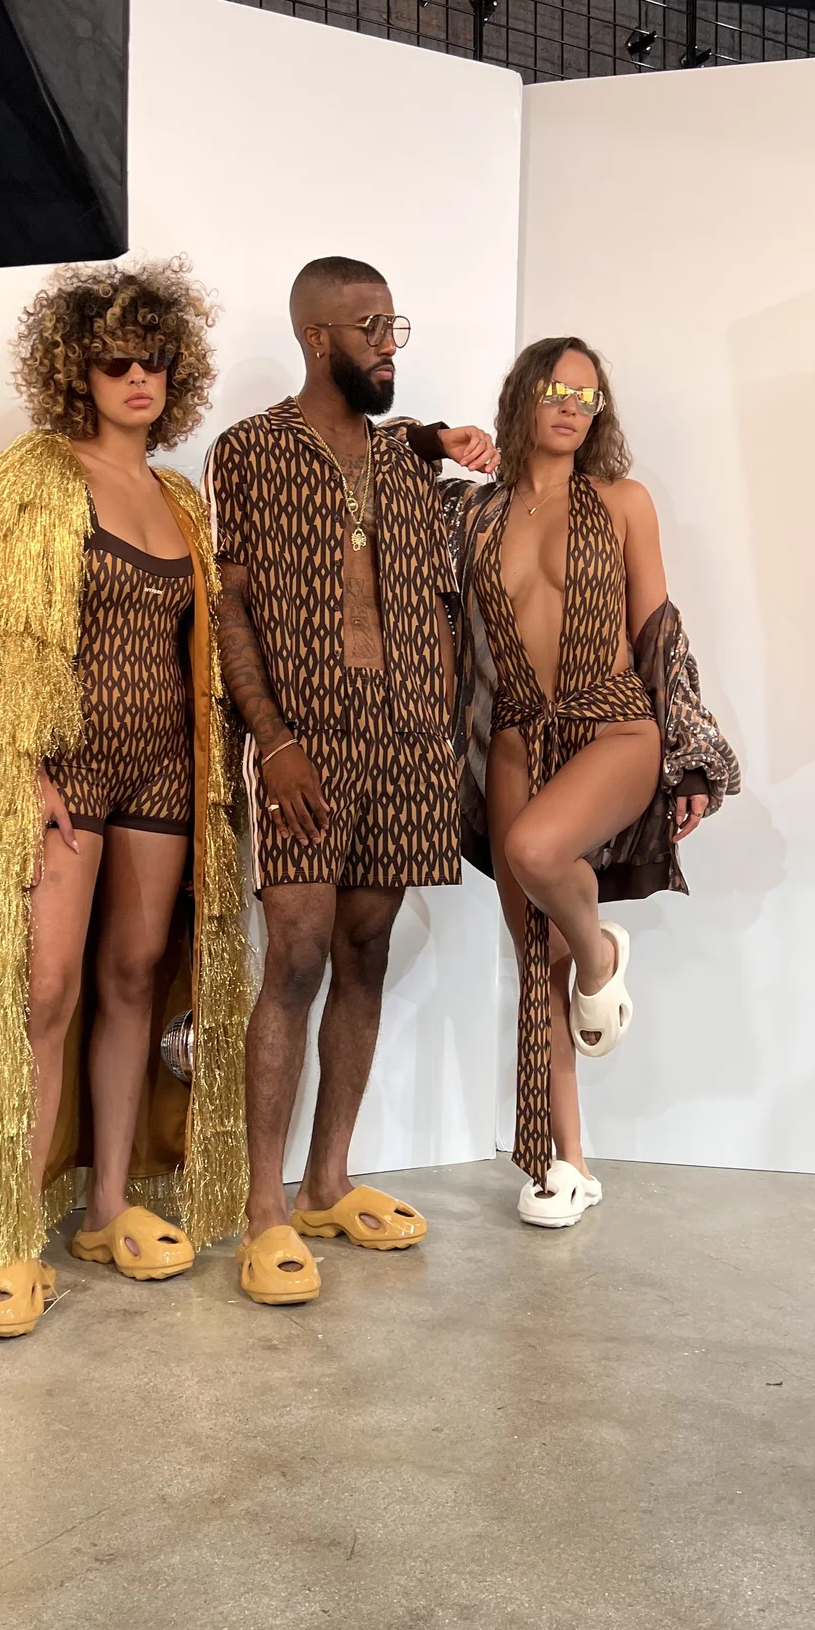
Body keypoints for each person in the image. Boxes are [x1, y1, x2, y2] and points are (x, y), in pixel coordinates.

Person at [0, 259, 249, 1338]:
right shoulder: (35, 480)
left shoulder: (181, 500)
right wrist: (22, 768)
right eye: (116, 359)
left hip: (164, 771)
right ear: (75, 370)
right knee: (42, 988)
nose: (139, 377)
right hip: (68, 768)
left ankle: (109, 1203)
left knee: (135, 973)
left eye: (155, 359)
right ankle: (9, 1234)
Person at [201, 255, 497, 1305]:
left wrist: (436, 438)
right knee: (295, 955)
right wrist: (272, 739)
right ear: (317, 337)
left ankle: (327, 1181)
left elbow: (445, 578)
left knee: (365, 952)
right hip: (307, 738)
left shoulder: (410, 462)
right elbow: (231, 605)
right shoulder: (249, 451)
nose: (388, 345)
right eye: (371, 327)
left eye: (394, 327)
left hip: (409, 739)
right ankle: (264, 1209)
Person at [452, 337, 739, 1228]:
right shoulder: (474, 514)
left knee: (537, 850)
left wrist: (691, 755)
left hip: (616, 720)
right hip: (517, 735)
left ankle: (600, 956)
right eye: (556, 389)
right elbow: (377, 469)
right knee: (533, 959)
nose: (572, 406)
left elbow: (657, 630)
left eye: (587, 394)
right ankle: (565, 1163)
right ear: (522, 398)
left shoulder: (623, 501)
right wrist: (432, 440)